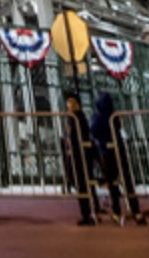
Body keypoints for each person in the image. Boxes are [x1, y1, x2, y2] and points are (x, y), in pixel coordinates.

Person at [89, 90, 144, 225]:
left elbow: (94, 131)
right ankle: (136, 210)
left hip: (106, 151)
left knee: (112, 183)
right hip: (118, 148)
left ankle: (116, 211)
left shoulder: (98, 117)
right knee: (127, 181)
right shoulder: (115, 116)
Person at [59, 91, 97, 224]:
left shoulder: (77, 117)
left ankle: (88, 213)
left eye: (72, 102)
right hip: (77, 153)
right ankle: (90, 210)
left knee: (81, 182)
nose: (69, 104)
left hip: (79, 154)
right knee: (80, 181)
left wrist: (71, 147)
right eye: (69, 102)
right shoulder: (73, 117)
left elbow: (76, 135)